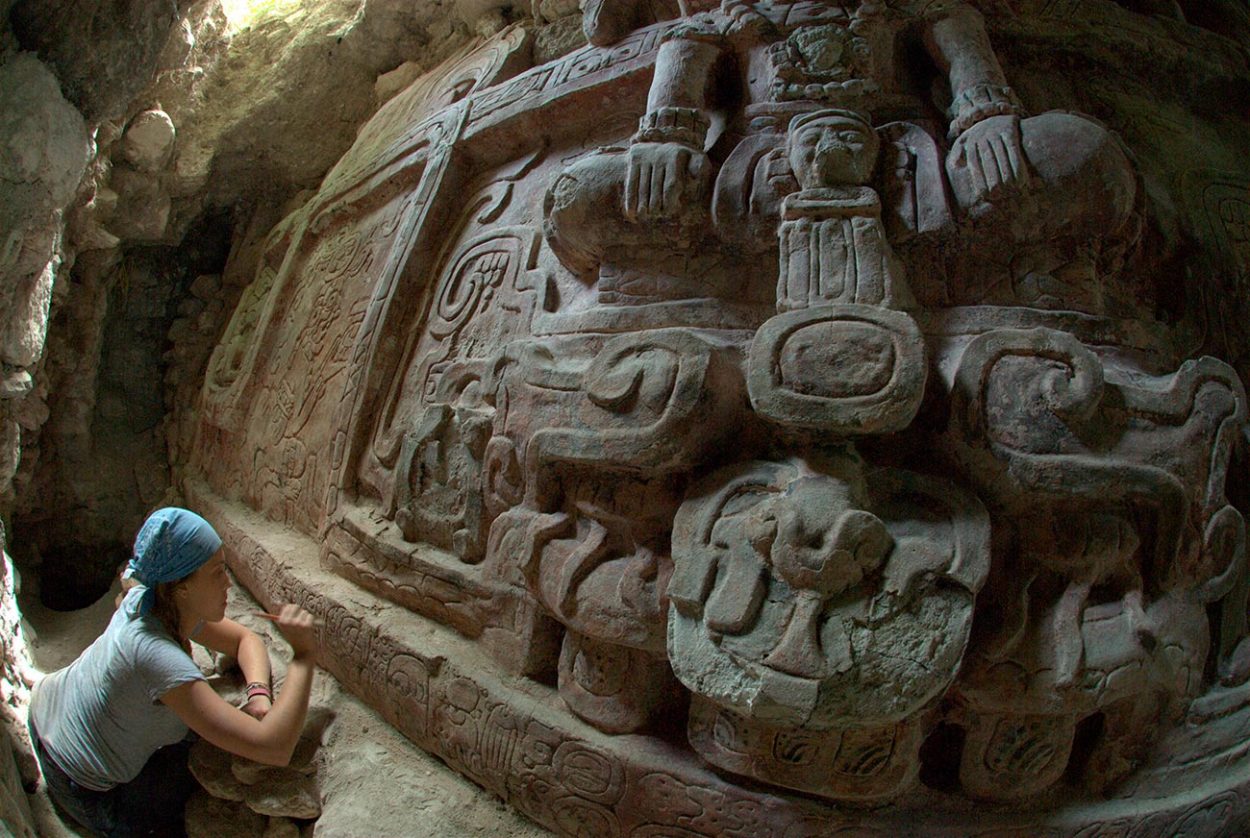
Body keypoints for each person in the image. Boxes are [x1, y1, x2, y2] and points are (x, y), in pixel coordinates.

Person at [27, 507, 318, 836]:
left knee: (194, 732)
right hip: (77, 782)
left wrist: (259, 694)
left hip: (45, 710)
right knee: (189, 781)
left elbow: (245, 640)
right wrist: (304, 655)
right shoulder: (158, 659)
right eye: (217, 573)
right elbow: (274, 748)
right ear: (181, 587)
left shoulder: (147, 597)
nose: (227, 582)